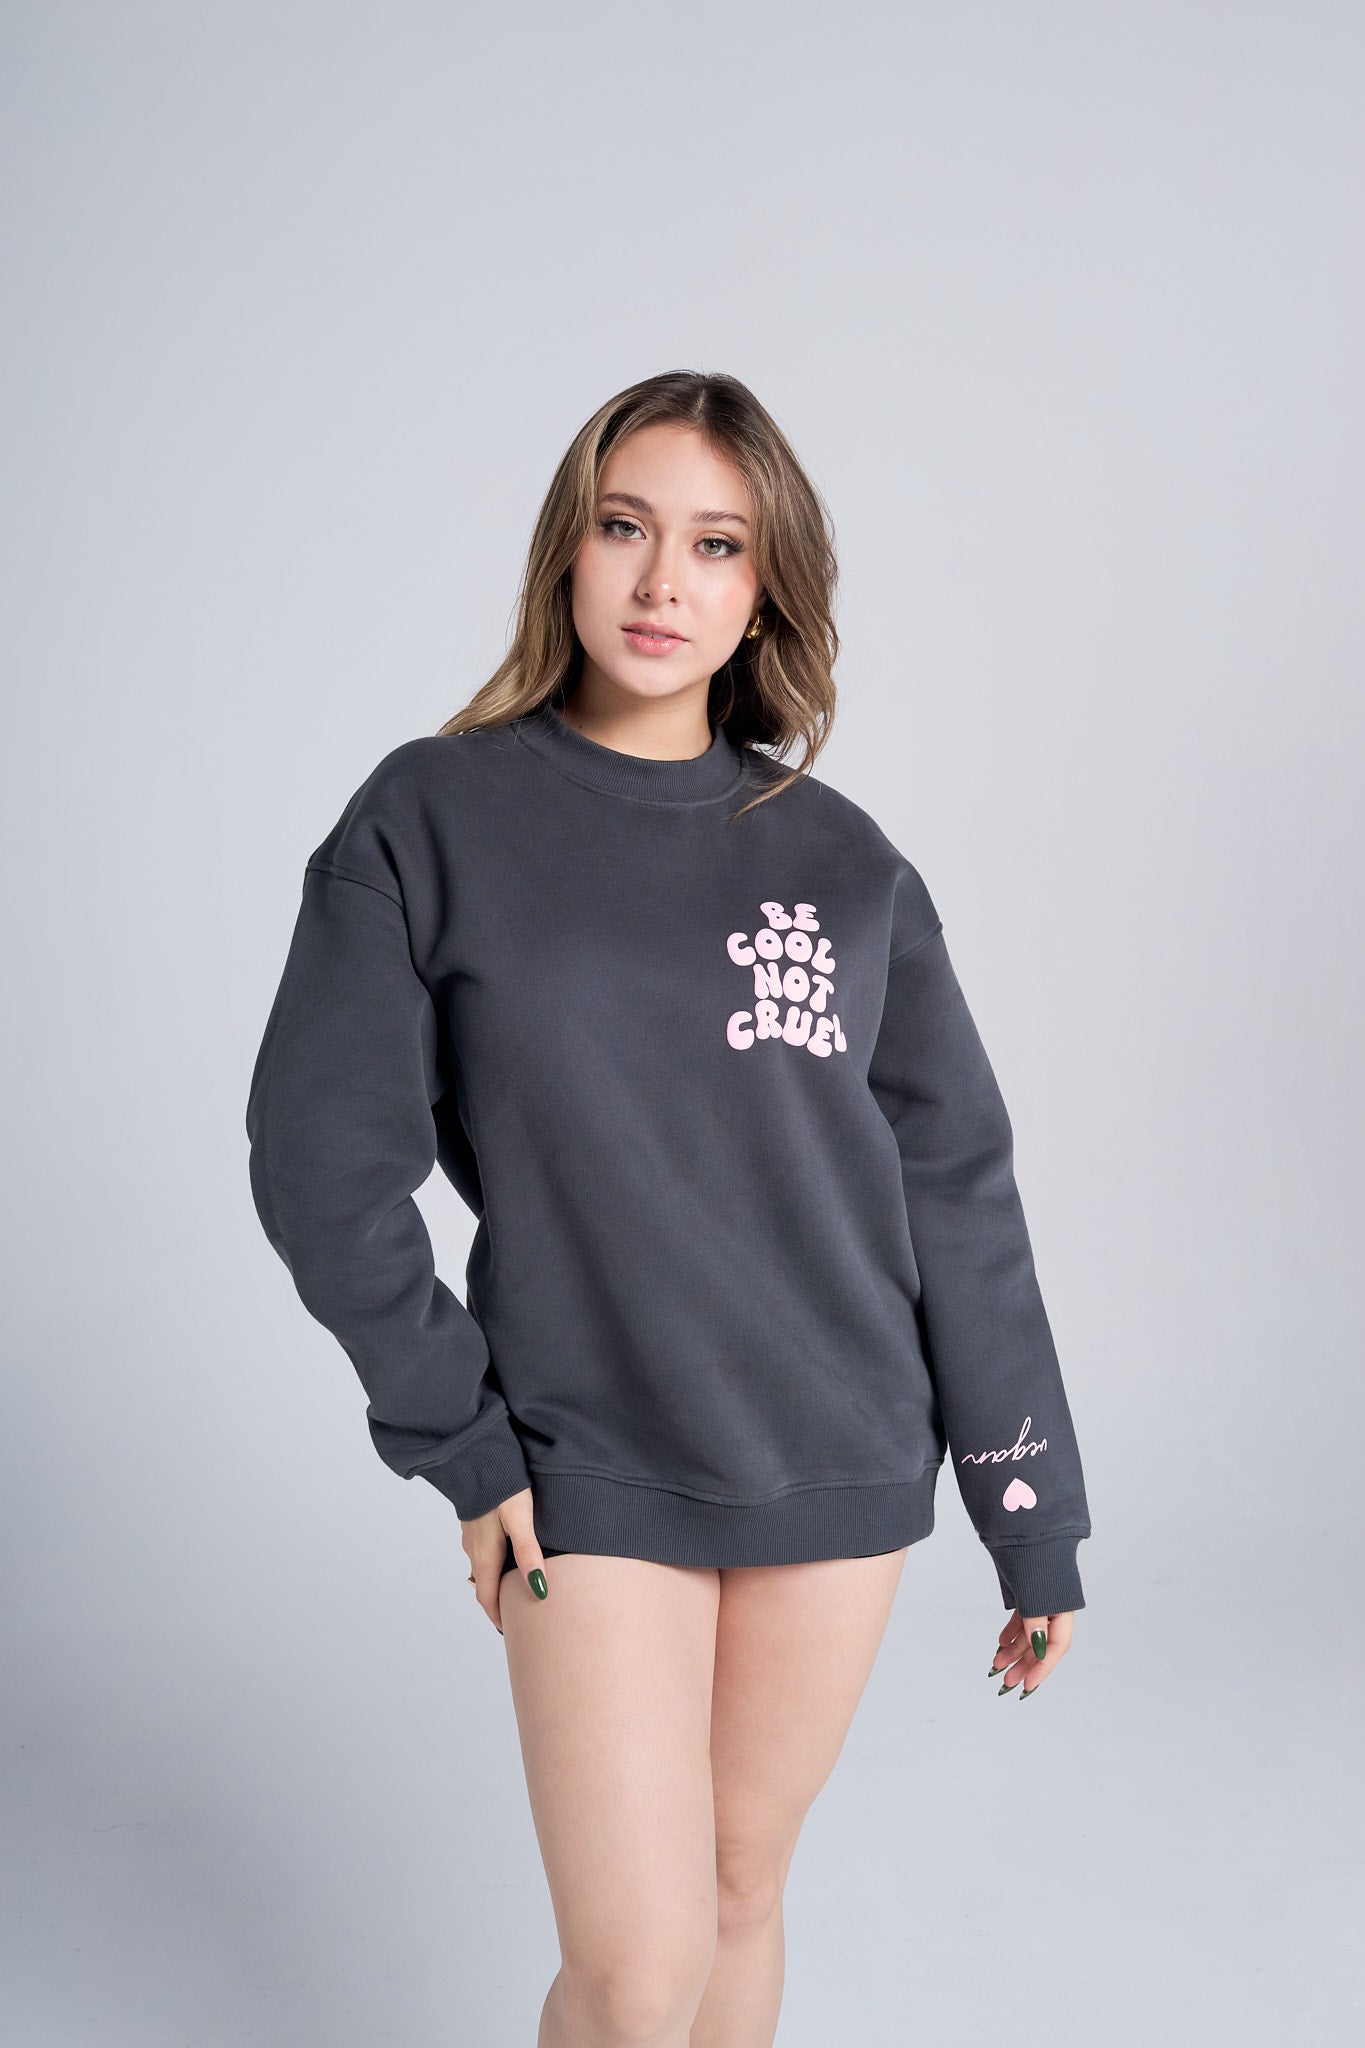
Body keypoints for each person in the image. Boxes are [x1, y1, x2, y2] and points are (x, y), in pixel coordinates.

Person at [244, 368, 1092, 2047]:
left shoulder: (844, 862)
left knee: (736, 1889)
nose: (660, 581)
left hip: (838, 1442)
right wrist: (461, 1441)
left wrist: (1029, 1508)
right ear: (567, 549)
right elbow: (318, 1160)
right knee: (636, 1971)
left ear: (763, 590)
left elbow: (954, 1188)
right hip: (585, 1450)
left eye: (715, 545)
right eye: (625, 527)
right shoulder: (431, 815)